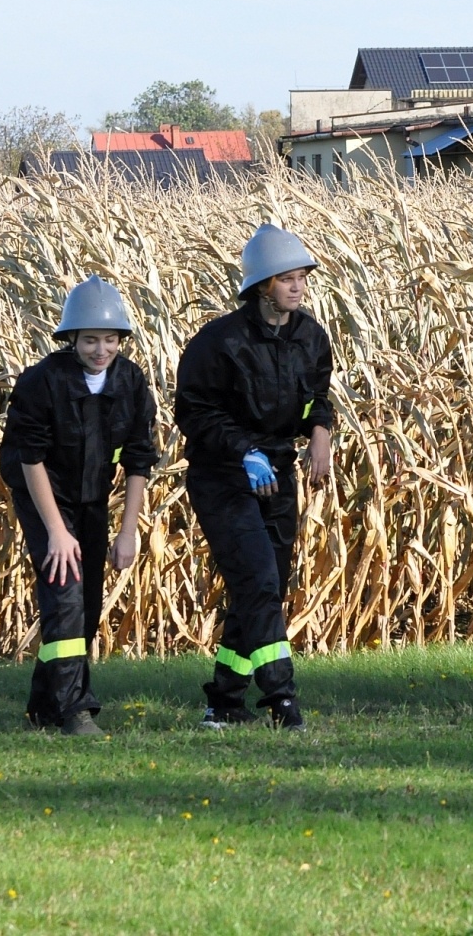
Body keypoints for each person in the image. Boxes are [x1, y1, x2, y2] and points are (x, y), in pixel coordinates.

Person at [175, 223, 333, 731]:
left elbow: (317, 397)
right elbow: (194, 411)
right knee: (259, 580)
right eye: (288, 279)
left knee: (263, 588)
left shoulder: (310, 337)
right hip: (223, 477)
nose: (298, 287)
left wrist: (322, 433)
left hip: (278, 473)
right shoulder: (219, 342)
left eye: (302, 278)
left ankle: (223, 701)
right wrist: (244, 451)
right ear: (262, 285)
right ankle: (282, 699)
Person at [0, 275, 157, 736]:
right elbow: (31, 460)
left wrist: (126, 532)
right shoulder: (41, 382)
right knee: (64, 594)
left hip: (92, 499)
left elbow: (138, 460)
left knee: (85, 607)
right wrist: (56, 531)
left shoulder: (130, 382)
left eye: (110, 339)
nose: (101, 349)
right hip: (44, 497)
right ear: (72, 339)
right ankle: (74, 711)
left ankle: (42, 708)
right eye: (90, 340)